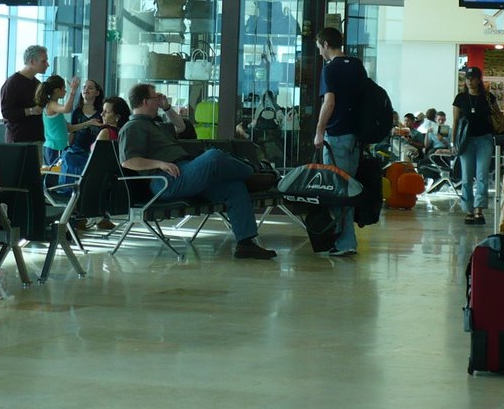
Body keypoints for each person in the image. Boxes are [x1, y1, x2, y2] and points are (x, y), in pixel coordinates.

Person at [119, 83, 276, 260]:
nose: (158, 101)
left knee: (235, 187)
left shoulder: (158, 124)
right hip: (167, 180)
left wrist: (167, 107)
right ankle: (253, 171)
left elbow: (181, 127)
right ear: (145, 101)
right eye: (155, 98)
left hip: (186, 173)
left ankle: (245, 244)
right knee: (213, 156)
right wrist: (161, 164)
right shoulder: (132, 127)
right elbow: (128, 161)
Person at [314, 27, 367, 256]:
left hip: (336, 137)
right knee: (349, 188)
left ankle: (345, 243)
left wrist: (319, 131)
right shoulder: (357, 65)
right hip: (356, 138)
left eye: (319, 48)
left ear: (325, 44)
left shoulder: (330, 69)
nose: (319, 53)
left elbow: (329, 103)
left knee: (337, 190)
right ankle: (344, 240)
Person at [451, 66, 497, 225]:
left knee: (483, 174)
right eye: (467, 78)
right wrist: (453, 142)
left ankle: (479, 209)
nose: (470, 81)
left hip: (485, 139)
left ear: (479, 80)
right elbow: (455, 122)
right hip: (466, 141)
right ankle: (468, 210)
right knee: (467, 176)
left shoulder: (488, 97)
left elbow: (496, 117)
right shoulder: (461, 98)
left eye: (473, 78)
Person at [0, 44, 50, 143]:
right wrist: (31, 111)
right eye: (43, 61)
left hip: (37, 139)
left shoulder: (37, 84)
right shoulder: (12, 83)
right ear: (32, 61)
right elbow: (6, 112)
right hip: (18, 140)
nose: (47, 64)